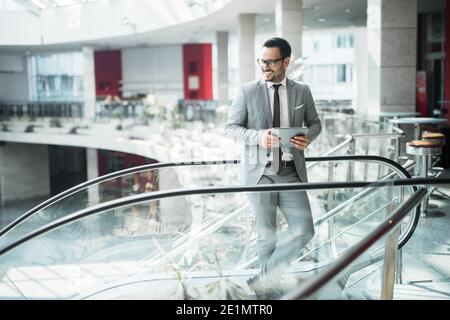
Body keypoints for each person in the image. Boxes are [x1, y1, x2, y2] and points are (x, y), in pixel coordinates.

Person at [225, 37, 322, 299]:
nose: (265, 66)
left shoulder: (302, 90)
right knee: (266, 237)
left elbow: (315, 123)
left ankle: (262, 281)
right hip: (260, 174)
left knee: (304, 229)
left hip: (291, 173)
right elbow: (231, 128)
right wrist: (259, 137)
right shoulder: (247, 90)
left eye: (271, 61)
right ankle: (266, 292)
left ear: (286, 62)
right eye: (262, 61)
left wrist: (308, 137)